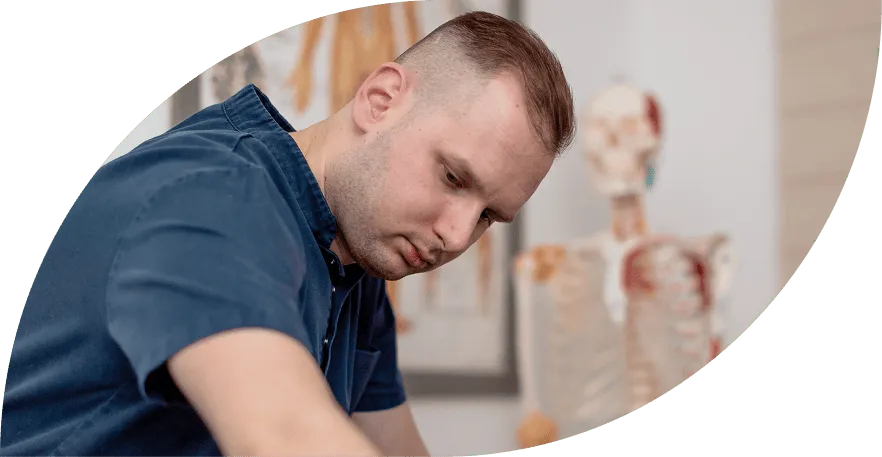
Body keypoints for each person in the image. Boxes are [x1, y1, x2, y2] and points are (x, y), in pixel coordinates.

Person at [0, 10, 575, 457]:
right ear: (381, 101)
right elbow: (285, 436)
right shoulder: (213, 198)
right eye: (452, 176)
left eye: (487, 218)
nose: (454, 235)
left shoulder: (355, 259)